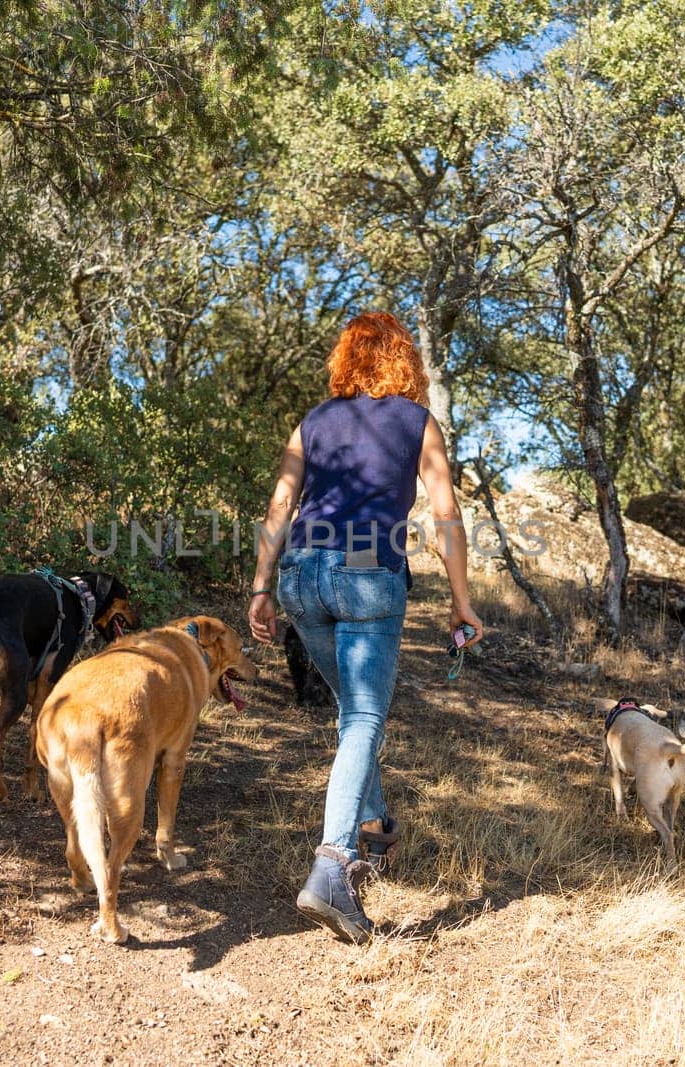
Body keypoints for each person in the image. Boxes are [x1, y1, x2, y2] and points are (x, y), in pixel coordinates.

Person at [247, 310, 485, 944]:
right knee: (362, 719)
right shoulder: (417, 423)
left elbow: (280, 505)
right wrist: (461, 601)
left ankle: (375, 826)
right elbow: (446, 516)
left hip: (300, 572)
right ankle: (332, 866)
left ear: (346, 358)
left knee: (353, 710)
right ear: (405, 360)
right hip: (363, 571)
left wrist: (262, 587)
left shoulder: (314, 420)